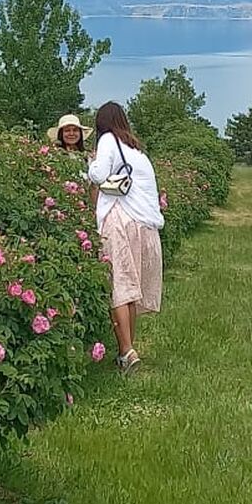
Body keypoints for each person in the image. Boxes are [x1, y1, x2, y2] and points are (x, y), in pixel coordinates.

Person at [85, 101, 163, 373]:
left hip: (120, 220)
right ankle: (127, 349)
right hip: (145, 225)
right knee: (128, 289)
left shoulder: (108, 140)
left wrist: (90, 162)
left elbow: (98, 174)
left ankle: (127, 351)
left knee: (118, 285)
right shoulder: (136, 150)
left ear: (102, 123)